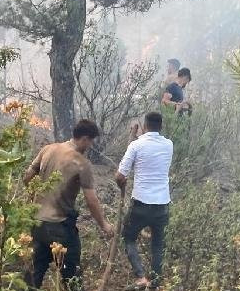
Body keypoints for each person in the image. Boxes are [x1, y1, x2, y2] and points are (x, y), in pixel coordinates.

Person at [23, 119, 114, 290]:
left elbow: (27, 178)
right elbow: (91, 200)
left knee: (33, 275)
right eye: (91, 141)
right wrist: (104, 224)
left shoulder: (48, 149)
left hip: (37, 223)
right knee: (72, 276)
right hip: (60, 227)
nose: (90, 146)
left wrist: (37, 198)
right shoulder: (81, 163)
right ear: (85, 138)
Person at [115, 112, 173, 290]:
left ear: (145, 125)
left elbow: (119, 176)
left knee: (129, 237)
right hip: (162, 205)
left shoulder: (136, 146)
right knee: (157, 245)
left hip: (141, 204)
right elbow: (151, 146)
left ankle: (140, 277)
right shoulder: (169, 145)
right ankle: (155, 283)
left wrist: (122, 183)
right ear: (161, 126)